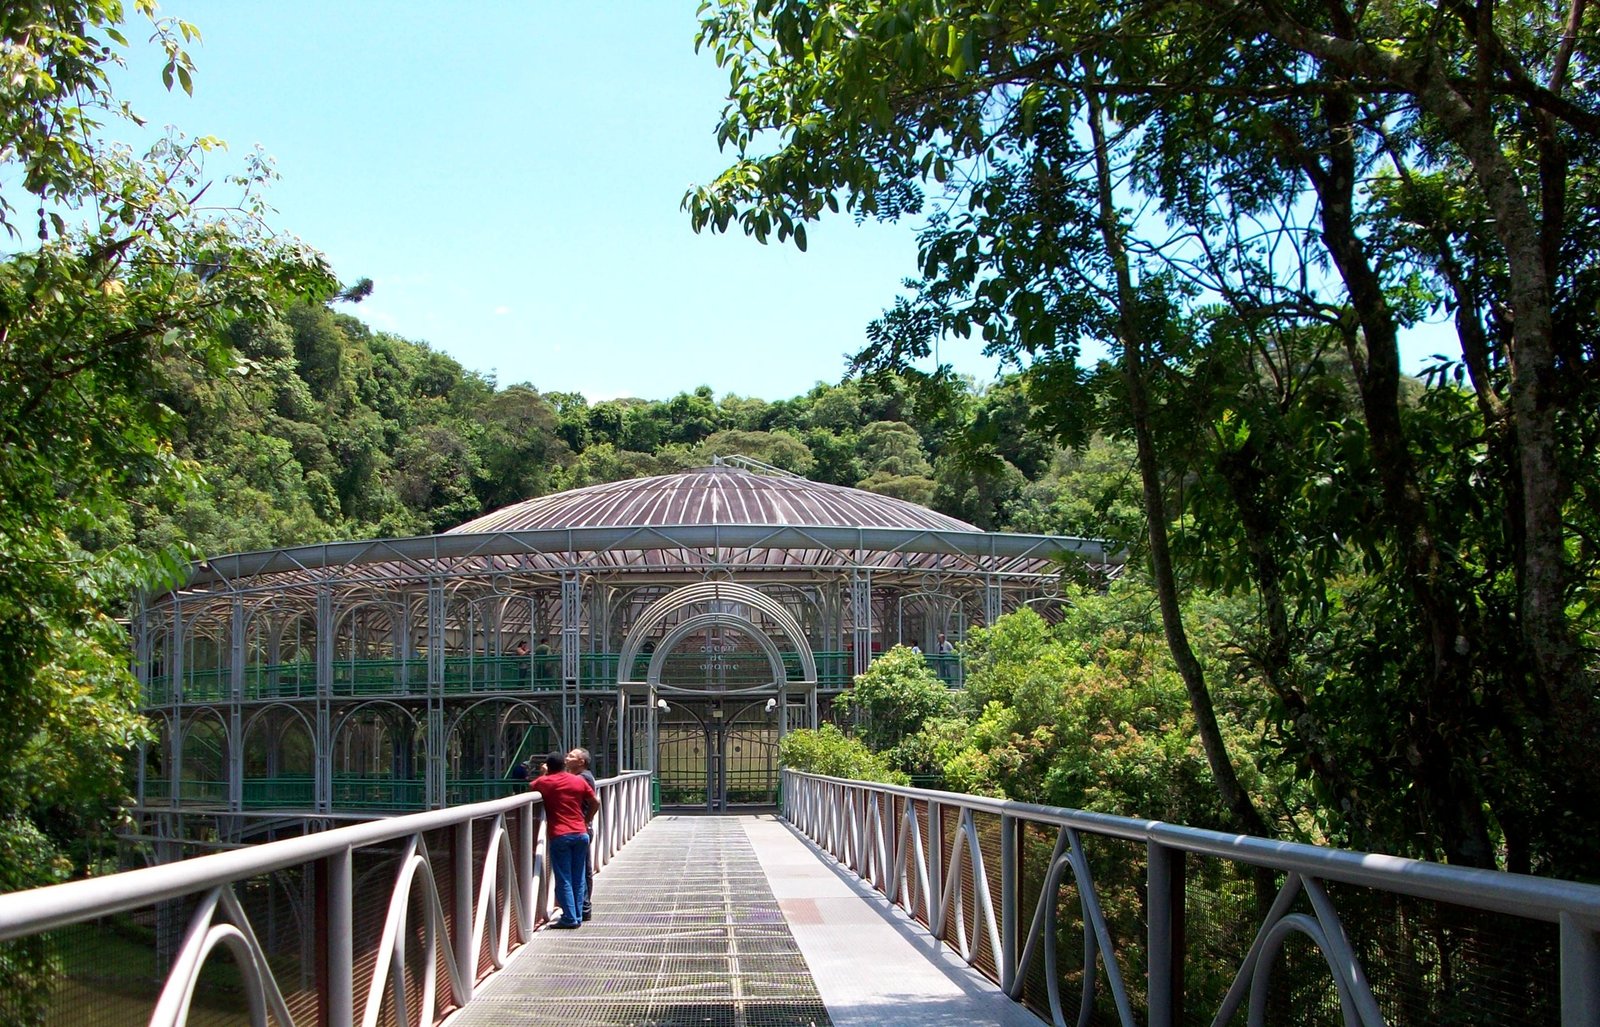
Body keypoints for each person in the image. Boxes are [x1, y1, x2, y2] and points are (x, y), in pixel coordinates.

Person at [527, 751, 598, 928]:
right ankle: (579, 914)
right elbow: (595, 801)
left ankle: (570, 918)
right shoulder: (578, 781)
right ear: (564, 765)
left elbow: (531, 786)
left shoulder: (545, 781)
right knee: (578, 876)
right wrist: (587, 819)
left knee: (564, 877)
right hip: (581, 833)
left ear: (548, 766)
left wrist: (543, 774)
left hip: (560, 834)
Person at [566, 747, 598, 921]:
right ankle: (583, 907)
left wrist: (586, 821)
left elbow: (595, 802)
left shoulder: (582, 778)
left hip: (580, 828)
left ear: (581, 762)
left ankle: (584, 907)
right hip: (581, 828)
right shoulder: (583, 777)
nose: (567, 757)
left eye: (571, 756)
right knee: (583, 868)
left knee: (582, 869)